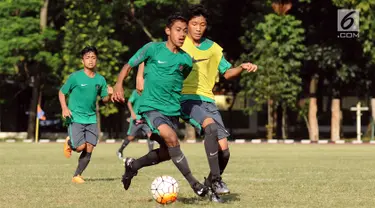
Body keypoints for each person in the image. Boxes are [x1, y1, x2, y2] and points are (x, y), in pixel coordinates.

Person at [135, 4, 258, 195]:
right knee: (209, 129)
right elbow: (151, 54)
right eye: (194, 24)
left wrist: (241, 67)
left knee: (224, 151)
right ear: (187, 26)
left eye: (202, 24)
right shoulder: (180, 42)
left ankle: (209, 185)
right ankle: (216, 182)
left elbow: (227, 72)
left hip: (207, 101)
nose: (198, 28)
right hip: (186, 99)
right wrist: (140, 77)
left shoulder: (214, 48)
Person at [112, 13, 222, 203]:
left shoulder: (186, 60)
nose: (182, 34)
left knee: (167, 152)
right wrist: (119, 84)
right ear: (168, 31)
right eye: (178, 30)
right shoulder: (152, 49)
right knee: (172, 140)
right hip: (151, 108)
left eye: (184, 31)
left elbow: (181, 78)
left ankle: (133, 165)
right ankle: (195, 184)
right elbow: (128, 66)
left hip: (172, 111)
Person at [59, 46, 113, 184]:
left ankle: (77, 175)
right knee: (80, 147)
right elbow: (62, 92)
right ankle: (70, 143)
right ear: (82, 61)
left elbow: (104, 99)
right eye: (87, 58)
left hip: (91, 118)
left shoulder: (100, 80)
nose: (91, 60)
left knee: (90, 147)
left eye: (93, 57)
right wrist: (64, 108)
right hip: (75, 117)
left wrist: (110, 94)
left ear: (97, 60)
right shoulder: (75, 77)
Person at [116, 87, 154, 160]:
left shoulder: (149, 92)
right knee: (131, 137)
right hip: (136, 119)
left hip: (145, 118)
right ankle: (120, 151)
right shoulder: (135, 92)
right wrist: (132, 113)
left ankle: (151, 154)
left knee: (150, 135)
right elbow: (129, 102)